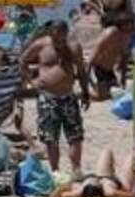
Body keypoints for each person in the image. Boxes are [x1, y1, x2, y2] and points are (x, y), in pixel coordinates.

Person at [19, 21, 90, 177]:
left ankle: (76, 169)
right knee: (51, 137)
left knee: (75, 135)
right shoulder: (41, 45)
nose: (60, 42)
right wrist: (31, 81)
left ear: (67, 33)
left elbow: (81, 70)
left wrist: (85, 92)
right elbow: (22, 60)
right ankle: (55, 170)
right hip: (47, 97)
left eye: (62, 38)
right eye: (56, 39)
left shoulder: (73, 47)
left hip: (68, 96)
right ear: (50, 34)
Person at [49, 147, 135, 197]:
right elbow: (133, 196)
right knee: (134, 156)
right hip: (113, 182)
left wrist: (65, 186)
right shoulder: (109, 192)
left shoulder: (78, 193)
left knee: (106, 150)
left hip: (100, 177)